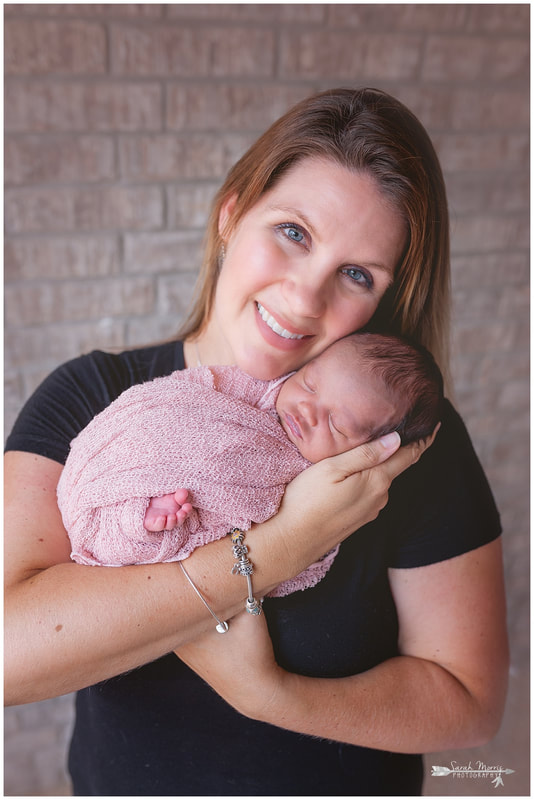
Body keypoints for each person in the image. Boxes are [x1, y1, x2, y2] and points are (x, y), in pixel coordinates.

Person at [4, 87, 508, 796]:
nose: (305, 299)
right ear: (230, 213)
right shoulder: (92, 398)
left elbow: (469, 705)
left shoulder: (396, 444)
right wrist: (279, 549)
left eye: (356, 274)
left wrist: (269, 696)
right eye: (294, 232)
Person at [57, 333, 443, 603]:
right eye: (308, 384)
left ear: (375, 450)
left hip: (178, 523)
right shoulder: (261, 388)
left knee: (168, 526)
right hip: (123, 459)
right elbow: (194, 387)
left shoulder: (323, 484)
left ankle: (137, 522)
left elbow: (290, 550)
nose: (307, 410)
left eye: (337, 425)